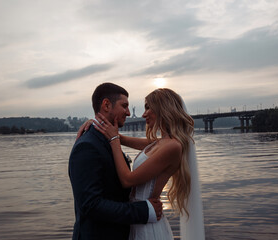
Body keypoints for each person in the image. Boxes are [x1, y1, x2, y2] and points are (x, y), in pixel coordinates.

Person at [79, 88, 205, 239]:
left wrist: (114, 140)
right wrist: (96, 124)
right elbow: (123, 138)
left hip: (148, 225)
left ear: (162, 108)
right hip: (137, 218)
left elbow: (127, 180)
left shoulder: (172, 146)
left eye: (147, 108)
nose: (144, 114)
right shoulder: (159, 143)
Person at [68, 82, 163, 240]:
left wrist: (116, 137)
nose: (128, 112)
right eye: (124, 106)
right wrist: (144, 211)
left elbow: (160, 145)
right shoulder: (87, 146)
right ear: (106, 105)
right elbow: (90, 205)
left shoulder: (108, 140)